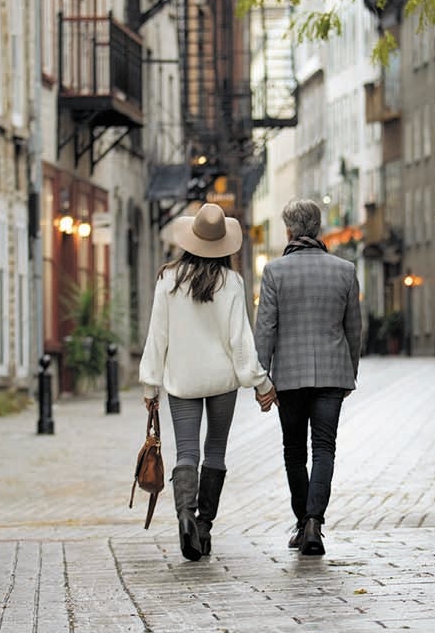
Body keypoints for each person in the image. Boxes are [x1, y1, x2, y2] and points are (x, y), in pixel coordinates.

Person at [139, 202, 276, 561]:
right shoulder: (231, 282)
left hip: (182, 380)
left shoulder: (168, 280)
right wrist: (261, 384)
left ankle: (184, 514)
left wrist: (150, 384)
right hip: (221, 382)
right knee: (215, 452)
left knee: (187, 452)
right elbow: (240, 341)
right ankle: (203, 526)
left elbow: (158, 335)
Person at [254, 198, 362, 556]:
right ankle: (315, 520)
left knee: (294, 450)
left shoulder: (274, 272)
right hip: (332, 373)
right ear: (317, 229)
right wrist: (349, 374)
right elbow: (354, 330)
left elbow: (265, 330)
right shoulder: (344, 270)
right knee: (324, 448)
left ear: (289, 231)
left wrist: (262, 380)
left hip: (289, 377)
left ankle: (303, 522)